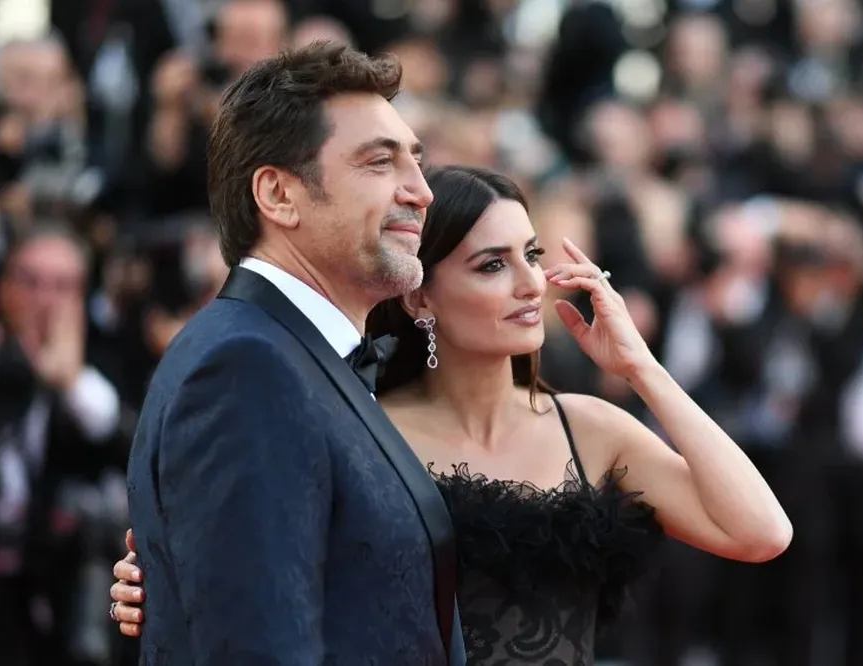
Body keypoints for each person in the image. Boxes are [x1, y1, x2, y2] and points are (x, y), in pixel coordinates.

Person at [114, 164, 793, 665]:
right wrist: (158, 581)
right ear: (420, 300)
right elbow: (259, 573)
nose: (529, 283)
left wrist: (643, 369)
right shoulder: (355, 427)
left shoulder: (590, 429)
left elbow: (760, 532)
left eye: (531, 255)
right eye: (491, 265)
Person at [123, 42, 467, 666]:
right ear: (279, 196)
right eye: (379, 163)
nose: (422, 192)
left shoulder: (296, 357)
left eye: (415, 163)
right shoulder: (245, 370)